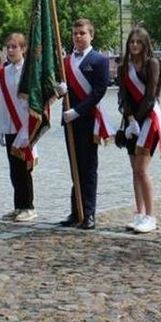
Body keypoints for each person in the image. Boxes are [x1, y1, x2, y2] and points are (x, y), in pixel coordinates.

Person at [57, 18, 110, 230]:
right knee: (74, 167)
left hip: (87, 120)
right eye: (75, 33)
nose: (78, 36)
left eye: (82, 33)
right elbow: (63, 87)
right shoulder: (66, 61)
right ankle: (75, 210)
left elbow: (99, 91)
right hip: (70, 121)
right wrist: (59, 90)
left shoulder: (99, 60)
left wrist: (77, 111)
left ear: (91, 35)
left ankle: (89, 213)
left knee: (88, 167)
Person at [116, 26, 161, 234]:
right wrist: (128, 118)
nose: (134, 45)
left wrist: (138, 118)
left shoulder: (152, 64)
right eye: (131, 42)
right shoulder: (124, 66)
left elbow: (151, 94)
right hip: (131, 121)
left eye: (138, 42)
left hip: (148, 118)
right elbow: (123, 95)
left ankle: (150, 216)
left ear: (145, 44)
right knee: (134, 170)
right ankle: (140, 212)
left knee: (142, 169)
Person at [0, 32, 37, 222]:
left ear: (23, 49)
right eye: (8, 47)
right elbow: (1, 102)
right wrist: (1, 128)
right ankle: (18, 205)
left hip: (25, 126)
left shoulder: (29, 72)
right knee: (14, 169)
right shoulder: (4, 72)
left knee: (24, 168)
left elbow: (35, 101)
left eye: (14, 47)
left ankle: (28, 206)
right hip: (10, 126)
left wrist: (29, 127)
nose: (10, 50)